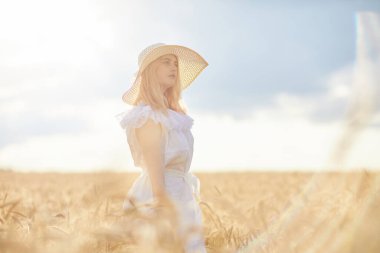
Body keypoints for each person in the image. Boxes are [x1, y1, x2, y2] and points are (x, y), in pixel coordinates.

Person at [115, 43, 208, 253]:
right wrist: (165, 209)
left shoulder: (174, 116)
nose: (173, 68)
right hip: (160, 197)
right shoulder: (147, 117)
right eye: (166, 62)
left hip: (182, 196)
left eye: (175, 63)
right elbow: (156, 173)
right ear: (150, 71)